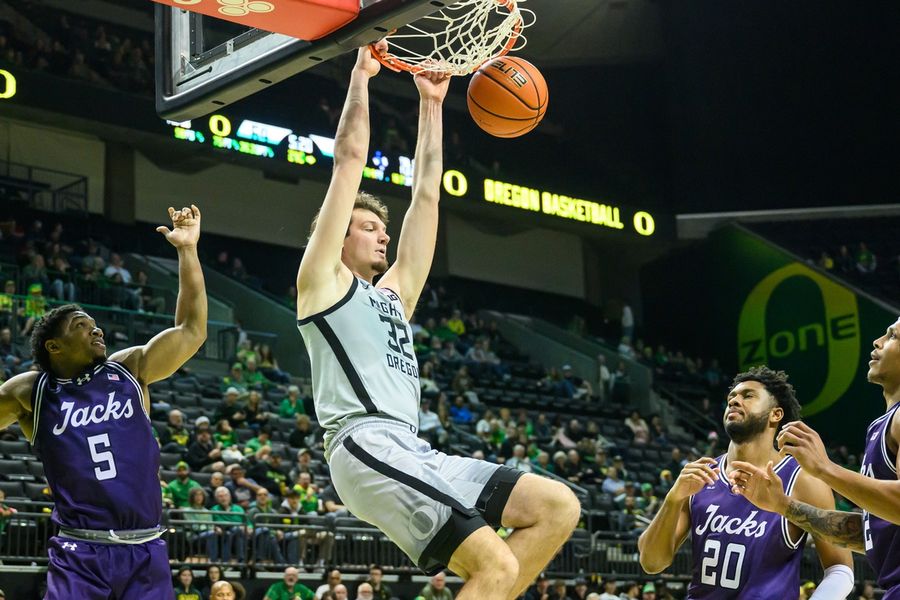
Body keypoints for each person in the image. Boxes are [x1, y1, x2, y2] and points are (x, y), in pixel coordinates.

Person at [294, 43, 580, 600]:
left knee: (555, 508)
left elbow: (426, 196)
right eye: (367, 226)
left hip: (411, 446)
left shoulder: (392, 297)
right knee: (494, 565)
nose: (382, 232)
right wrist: (361, 75)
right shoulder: (322, 282)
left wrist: (432, 102)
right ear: (335, 237)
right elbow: (350, 159)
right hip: (363, 444)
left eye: (383, 227)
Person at [0, 206, 207, 599]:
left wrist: (188, 251)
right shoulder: (31, 391)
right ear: (54, 346)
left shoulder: (129, 369)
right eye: (80, 324)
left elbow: (191, 331)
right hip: (79, 550)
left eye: (93, 322)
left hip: (146, 548)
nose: (95, 327)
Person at [637, 366, 854, 598]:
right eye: (732, 397)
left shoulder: (801, 480)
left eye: (748, 396)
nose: (734, 401)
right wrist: (672, 499)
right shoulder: (700, 476)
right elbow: (652, 563)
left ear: (776, 414)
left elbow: (840, 569)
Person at [730, 319, 900, 599]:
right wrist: (783, 505)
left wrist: (825, 469)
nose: (877, 341)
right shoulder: (881, 426)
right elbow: (874, 533)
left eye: (892, 335)